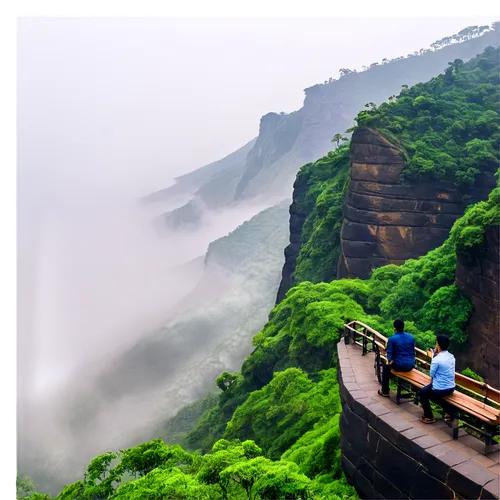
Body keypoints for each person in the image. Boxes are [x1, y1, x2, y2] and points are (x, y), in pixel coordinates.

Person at [419, 334, 457, 425]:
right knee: (432, 393)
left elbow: (431, 374)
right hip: (451, 387)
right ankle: (451, 414)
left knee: (423, 392)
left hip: (439, 389)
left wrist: (433, 357)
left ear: (437, 344)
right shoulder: (451, 356)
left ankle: (429, 417)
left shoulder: (437, 359)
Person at [378, 319, 415, 397]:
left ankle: (385, 391)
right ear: (403, 327)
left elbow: (389, 355)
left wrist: (389, 359)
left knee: (385, 367)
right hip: (411, 365)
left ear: (394, 328)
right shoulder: (411, 337)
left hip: (399, 365)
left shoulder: (392, 339)